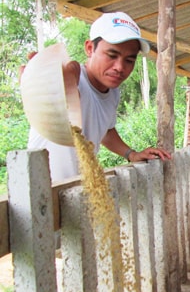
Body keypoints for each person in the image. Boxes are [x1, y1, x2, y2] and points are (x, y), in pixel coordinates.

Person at [25, 12, 171, 181]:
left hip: (78, 188)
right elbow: (58, 92)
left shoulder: (113, 92)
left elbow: (106, 130)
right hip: (44, 187)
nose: (119, 67)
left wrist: (130, 154)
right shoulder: (74, 81)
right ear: (89, 48)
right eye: (112, 55)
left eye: (129, 60)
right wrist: (50, 78)